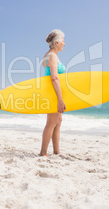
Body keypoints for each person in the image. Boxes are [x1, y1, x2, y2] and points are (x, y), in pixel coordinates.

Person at [39, 29, 66, 157]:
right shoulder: (52, 56)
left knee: (58, 121)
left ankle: (56, 151)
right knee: (51, 123)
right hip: (53, 94)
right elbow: (54, 78)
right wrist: (60, 100)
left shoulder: (49, 55)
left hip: (53, 93)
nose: (64, 44)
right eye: (63, 41)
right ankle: (43, 152)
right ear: (56, 43)